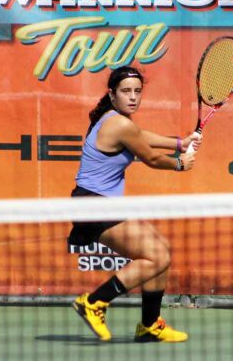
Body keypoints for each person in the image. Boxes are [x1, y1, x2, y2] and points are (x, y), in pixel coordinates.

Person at [69, 66, 201, 343]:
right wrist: (179, 163)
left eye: (137, 91)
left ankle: (150, 326)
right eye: (126, 91)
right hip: (93, 204)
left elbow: (140, 135)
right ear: (112, 94)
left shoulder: (117, 120)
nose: (133, 97)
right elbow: (151, 157)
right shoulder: (119, 124)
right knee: (156, 256)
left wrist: (179, 143)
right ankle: (94, 302)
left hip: (99, 203)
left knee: (161, 251)